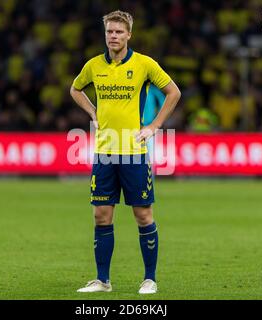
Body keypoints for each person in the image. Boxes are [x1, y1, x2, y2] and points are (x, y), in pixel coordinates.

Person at [70, 10, 180, 294]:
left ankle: (150, 278)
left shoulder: (144, 64)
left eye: (119, 32)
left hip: (133, 152)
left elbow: (173, 92)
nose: (113, 36)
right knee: (101, 215)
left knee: (143, 215)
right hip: (104, 152)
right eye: (109, 31)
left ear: (129, 34)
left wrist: (154, 125)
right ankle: (102, 280)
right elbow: (75, 89)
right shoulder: (94, 66)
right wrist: (93, 112)